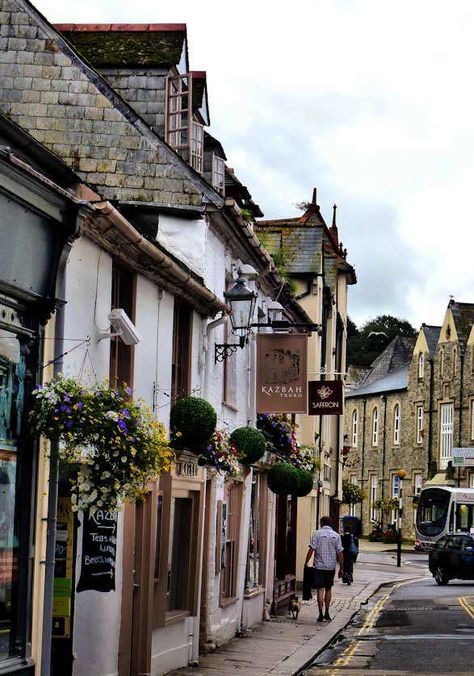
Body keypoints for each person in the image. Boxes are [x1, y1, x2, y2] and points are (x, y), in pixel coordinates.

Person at [304, 516, 344, 622]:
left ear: (321, 523)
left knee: (320, 589)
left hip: (318, 566)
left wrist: (306, 561)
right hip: (330, 567)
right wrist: (341, 568)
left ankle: (320, 614)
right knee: (329, 589)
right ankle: (327, 612)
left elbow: (312, 549)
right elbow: (340, 553)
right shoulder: (336, 536)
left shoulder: (317, 533)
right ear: (330, 524)